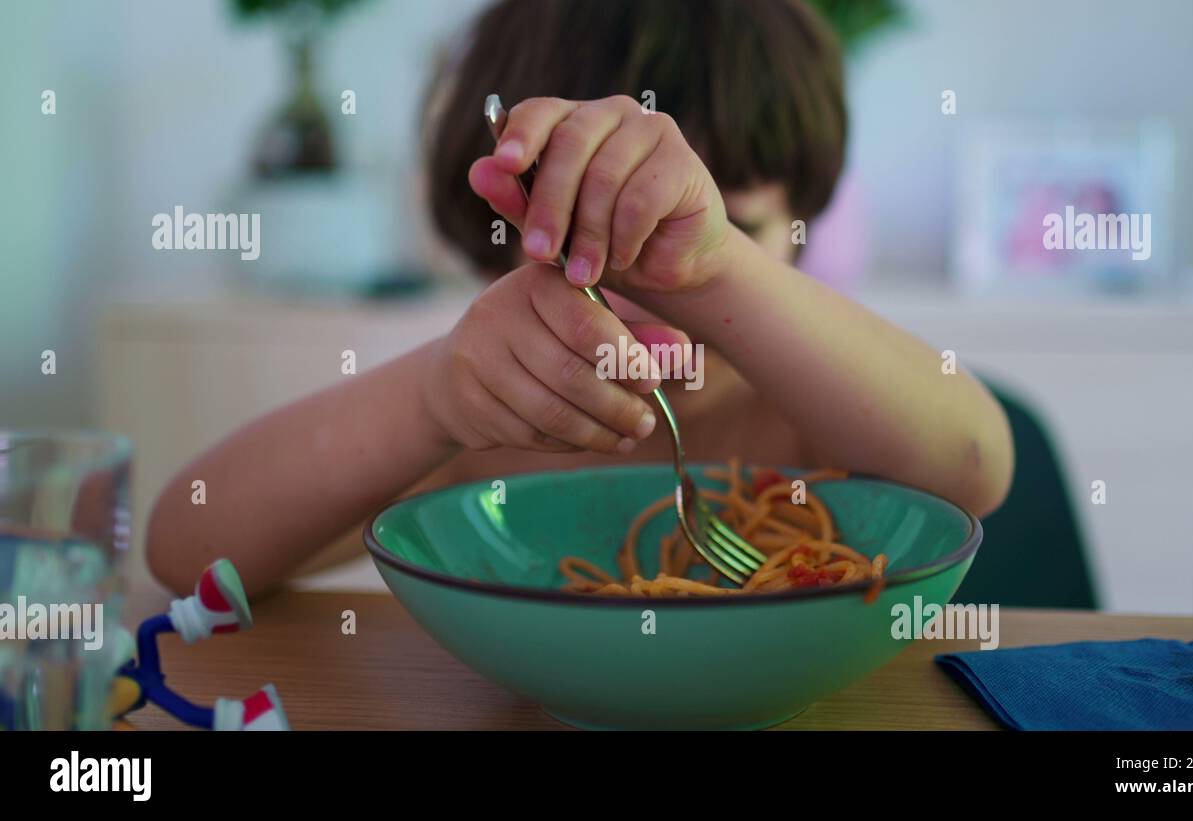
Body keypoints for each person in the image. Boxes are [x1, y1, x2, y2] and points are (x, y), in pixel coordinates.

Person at [147, 0, 1013, 598]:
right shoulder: (490, 428)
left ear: (803, 224)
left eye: (721, 230)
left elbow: (978, 466)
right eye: (581, 241)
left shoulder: (820, 418)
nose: (652, 289)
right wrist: (432, 394)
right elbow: (185, 551)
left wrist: (711, 270)